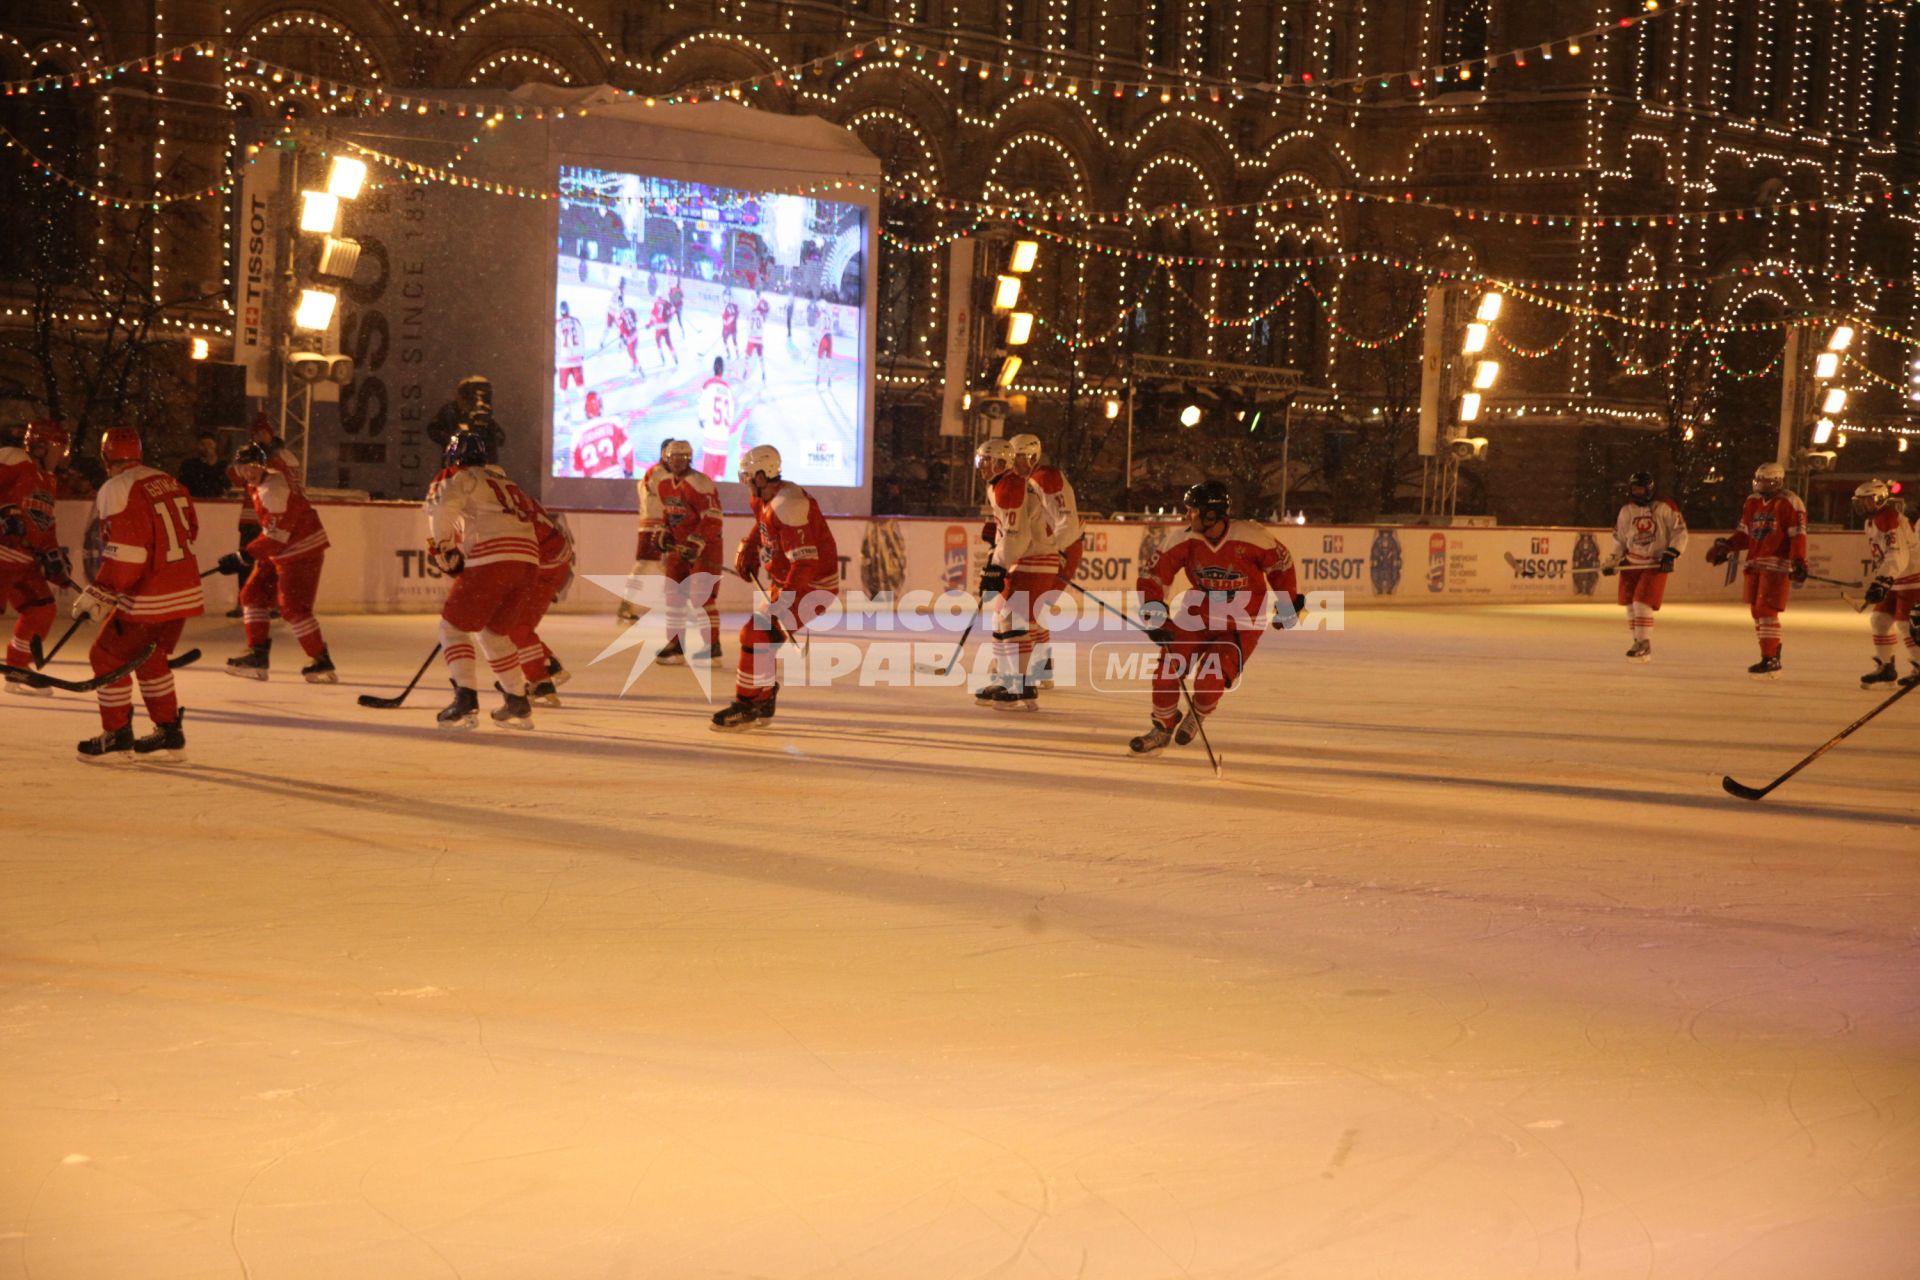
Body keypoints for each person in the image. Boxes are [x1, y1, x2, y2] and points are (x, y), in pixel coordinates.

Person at [1129, 479, 1302, 756]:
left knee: (1209, 682)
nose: (1188, 516)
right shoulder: (1184, 539)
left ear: (1211, 514)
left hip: (1241, 625)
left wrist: (1288, 601)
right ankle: (1161, 728)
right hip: (1197, 617)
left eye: (1193, 511)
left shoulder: (1252, 536)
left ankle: (1198, 712)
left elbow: (1281, 564)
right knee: (1166, 671)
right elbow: (1153, 576)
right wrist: (1156, 616)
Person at [71, 428, 203, 760]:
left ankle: (117, 733)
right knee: (150, 656)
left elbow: (127, 553)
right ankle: (169, 730)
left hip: (150, 594)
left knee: (105, 656)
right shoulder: (167, 480)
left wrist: (101, 593)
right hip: (184, 591)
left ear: (105, 458)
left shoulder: (117, 488)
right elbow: (191, 530)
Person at [712, 445, 838, 731]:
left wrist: (785, 604)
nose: (745, 481)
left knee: (756, 633)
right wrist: (750, 545)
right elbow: (764, 525)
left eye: (748, 475)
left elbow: (804, 563)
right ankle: (764, 698)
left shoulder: (790, 505)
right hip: (790, 582)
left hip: (812, 585)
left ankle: (747, 705)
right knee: (762, 640)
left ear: (762, 473)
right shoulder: (765, 498)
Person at [422, 430, 541, 730]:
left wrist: (444, 547)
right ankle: (517, 699)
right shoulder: (507, 481)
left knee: (452, 628)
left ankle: (465, 699)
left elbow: (443, 509)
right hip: (528, 562)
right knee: (494, 634)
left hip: (494, 558)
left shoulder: (460, 477)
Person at [219, 443, 335, 682]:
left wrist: (243, 556)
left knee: (293, 608)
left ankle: (320, 660)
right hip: (280, 551)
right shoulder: (261, 485)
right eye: (243, 468)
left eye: (252, 468)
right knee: (252, 595)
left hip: (302, 551)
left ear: (262, 467)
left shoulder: (273, 489)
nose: (248, 473)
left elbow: (276, 536)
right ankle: (257, 654)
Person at [972, 438, 1062, 711]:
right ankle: (1008, 677)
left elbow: (1017, 535)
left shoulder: (1008, 485)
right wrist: (996, 547)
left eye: (986, 461)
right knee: (1003, 618)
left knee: (1013, 620)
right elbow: (1011, 531)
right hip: (1029, 559)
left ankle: (1021, 683)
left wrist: (997, 565)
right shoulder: (1002, 484)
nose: (982, 467)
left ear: (1001, 462)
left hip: (1032, 560)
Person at [1705, 461, 1807, 679]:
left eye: (1767, 481)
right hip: (1755, 562)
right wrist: (1728, 547)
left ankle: (1770, 658)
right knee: (1756, 611)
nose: (1762, 485)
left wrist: (1798, 560)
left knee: (1766, 610)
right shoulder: (1752, 502)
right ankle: (1769, 655)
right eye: (1759, 480)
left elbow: (1797, 534)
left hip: (1776, 565)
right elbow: (1745, 533)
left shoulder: (1789, 502)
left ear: (1778, 481)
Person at [0, 420, 75, 691]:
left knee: (42, 608)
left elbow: (45, 523)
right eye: (58, 448)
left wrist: (52, 553)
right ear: (39, 447)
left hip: (24, 561)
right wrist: (5, 512)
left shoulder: (49, 480)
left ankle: (17, 666)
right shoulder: (15, 458)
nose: (62, 455)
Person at [637, 439, 724, 664]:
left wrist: (696, 542)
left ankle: (712, 646)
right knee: (673, 596)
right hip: (679, 547)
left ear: (689, 458)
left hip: (705, 548)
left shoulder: (700, 483)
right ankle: (676, 644)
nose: (677, 462)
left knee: (701, 597)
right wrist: (663, 531)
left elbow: (713, 518)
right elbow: (670, 513)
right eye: (673, 458)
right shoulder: (664, 483)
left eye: (682, 458)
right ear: (666, 458)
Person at [1009, 432, 1083, 688]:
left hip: (1061, 550)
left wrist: (1052, 547)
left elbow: (1067, 521)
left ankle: (1028, 669)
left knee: (1029, 609)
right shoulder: (1029, 479)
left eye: (1020, 457)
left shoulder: (1045, 478)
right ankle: (1041, 667)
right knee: (1035, 609)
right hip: (1052, 549)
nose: (1015, 463)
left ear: (1032, 456)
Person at [1600, 471, 1688, 663]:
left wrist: (1672, 552)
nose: (1637, 492)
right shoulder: (1626, 511)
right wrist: (1613, 559)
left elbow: (1679, 531)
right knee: (1630, 604)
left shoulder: (1664, 507)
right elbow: (1620, 538)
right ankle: (1637, 641)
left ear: (1649, 489)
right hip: (1631, 562)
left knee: (1642, 602)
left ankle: (1644, 643)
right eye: (1634, 489)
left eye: (1640, 489)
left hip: (1654, 563)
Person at [508, 490, 576, 706]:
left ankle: (541, 680)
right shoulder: (513, 496)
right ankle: (548, 665)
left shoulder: (498, 507)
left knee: (516, 627)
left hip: (545, 568)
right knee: (517, 625)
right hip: (552, 564)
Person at [1853, 478, 1920, 688]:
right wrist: (1880, 580)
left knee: (1904, 623)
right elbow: (1883, 557)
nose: (1863, 506)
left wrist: (1883, 581)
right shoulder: (1871, 522)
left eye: (1867, 501)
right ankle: (1886, 666)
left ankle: (1919, 665)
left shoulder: (1890, 518)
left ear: (1880, 499)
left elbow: (1897, 554)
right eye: (1860, 502)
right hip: (1895, 579)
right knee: (1880, 620)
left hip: (1911, 578)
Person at [570, 391, 634, 478]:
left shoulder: (577, 435)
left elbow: (576, 471)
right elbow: (627, 452)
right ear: (600, 407)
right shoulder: (613, 423)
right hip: (615, 478)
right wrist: (628, 473)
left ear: (585, 410)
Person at [696, 357, 739, 480]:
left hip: (711, 438)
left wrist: (702, 421)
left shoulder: (708, 385)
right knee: (720, 481)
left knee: (707, 482)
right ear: (723, 370)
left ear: (713, 368)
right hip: (724, 440)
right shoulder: (728, 389)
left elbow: (702, 410)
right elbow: (730, 417)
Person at [555, 301, 587, 420]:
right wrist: (581, 354)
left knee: (562, 389)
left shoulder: (557, 324)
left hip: (564, 360)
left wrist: (555, 360)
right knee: (580, 386)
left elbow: (556, 344)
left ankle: (567, 409)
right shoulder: (576, 321)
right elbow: (582, 337)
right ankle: (586, 408)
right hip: (577, 360)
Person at [176, 432, 228, 499]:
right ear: (197, 446)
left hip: (217, 503)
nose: (206, 448)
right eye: (202, 444)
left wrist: (213, 465)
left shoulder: (224, 465)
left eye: (210, 444)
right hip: (195, 501)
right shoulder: (189, 464)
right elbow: (182, 484)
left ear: (215, 445)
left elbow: (227, 486)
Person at [649, 293, 677, 371]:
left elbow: (653, 318)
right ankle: (674, 355)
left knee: (658, 342)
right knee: (669, 343)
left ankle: (662, 357)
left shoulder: (655, 305)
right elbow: (673, 310)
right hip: (665, 325)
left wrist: (649, 325)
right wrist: (670, 318)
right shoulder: (666, 303)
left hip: (658, 327)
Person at [720, 290, 741, 361]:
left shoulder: (726, 308)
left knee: (724, 339)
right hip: (734, 327)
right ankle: (737, 353)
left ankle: (728, 353)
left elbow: (726, 320)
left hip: (728, 328)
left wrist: (726, 324)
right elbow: (737, 312)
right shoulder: (735, 306)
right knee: (734, 340)